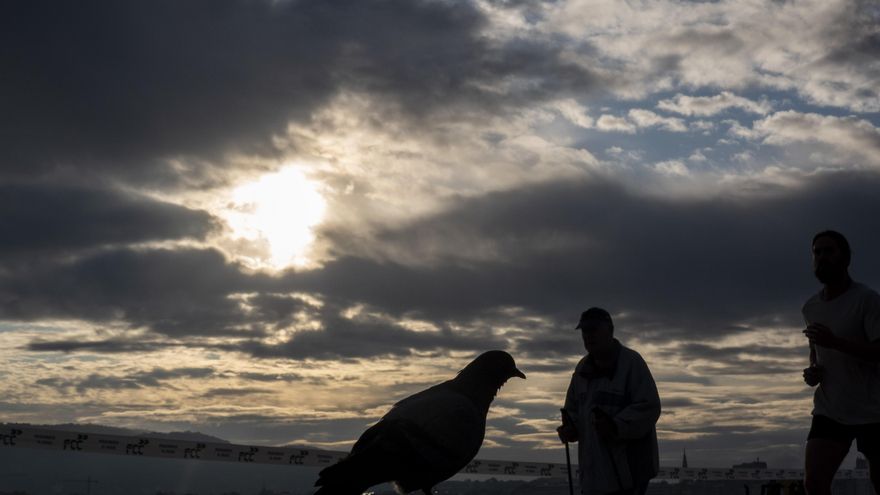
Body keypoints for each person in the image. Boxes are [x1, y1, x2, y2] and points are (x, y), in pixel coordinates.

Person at [801, 230, 880, 495]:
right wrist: (814, 371)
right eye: (817, 252)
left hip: (874, 409)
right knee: (814, 482)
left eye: (828, 251)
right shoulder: (810, 307)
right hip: (830, 409)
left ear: (845, 258)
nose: (822, 257)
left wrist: (835, 342)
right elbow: (816, 350)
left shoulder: (867, 300)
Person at [557, 307, 661, 495]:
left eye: (594, 330)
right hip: (593, 478)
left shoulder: (631, 363)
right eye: (585, 331)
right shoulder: (581, 370)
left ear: (610, 331)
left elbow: (649, 407)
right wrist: (570, 428)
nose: (588, 336)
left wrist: (616, 426)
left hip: (629, 476)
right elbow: (573, 410)